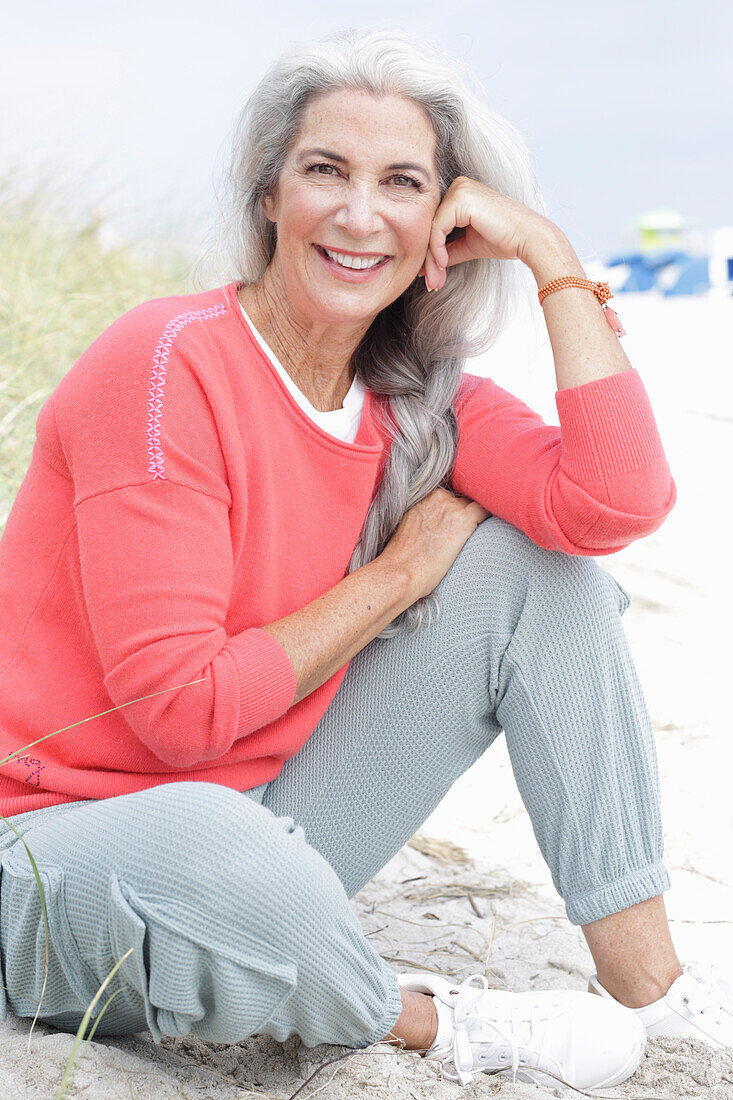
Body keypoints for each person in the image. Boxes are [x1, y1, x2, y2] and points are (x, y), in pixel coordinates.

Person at [0, 25, 731, 1093]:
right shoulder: (165, 365)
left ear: (443, 218)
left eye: (402, 182)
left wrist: (549, 259)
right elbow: (175, 708)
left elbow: (614, 500)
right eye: (324, 171)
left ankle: (648, 981)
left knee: (543, 578)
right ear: (268, 197)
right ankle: (424, 1016)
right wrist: (392, 575)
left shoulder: (416, 400)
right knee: (220, 848)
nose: (357, 213)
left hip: (268, 822)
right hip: (53, 847)